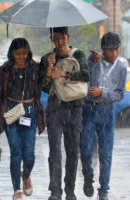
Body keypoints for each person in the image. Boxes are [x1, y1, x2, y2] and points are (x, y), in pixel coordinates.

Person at [0, 38, 43, 200]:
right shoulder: (4, 70)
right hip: (11, 111)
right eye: (18, 54)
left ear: (29, 53)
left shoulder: (35, 68)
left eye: (24, 53)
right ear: (12, 53)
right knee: (16, 153)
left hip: (30, 111)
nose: (21, 57)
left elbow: (46, 81)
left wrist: (50, 69)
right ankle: (16, 189)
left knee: (30, 155)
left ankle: (26, 176)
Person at [40, 27, 90, 200]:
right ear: (51, 38)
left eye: (62, 38)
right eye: (55, 38)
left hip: (75, 108)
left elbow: (85, 75)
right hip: (55, 108)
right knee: (54, 151)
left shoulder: (78, 54)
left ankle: (70, 189)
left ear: (68, 37)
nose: (59, 41)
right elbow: (44, 87)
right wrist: (49, 70)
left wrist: (63, 73)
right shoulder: (47, 58)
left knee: (72, 150)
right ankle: (55, 190)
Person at [80, 32, 127, 200]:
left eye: (116, 49)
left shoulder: (121, 67)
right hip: (88, 109)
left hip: (107, 111)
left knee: (106, 153)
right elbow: (83, 75)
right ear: (103, 50)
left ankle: (104, 190)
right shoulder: (92, 61)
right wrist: (90, 61)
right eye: (110, 50)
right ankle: (87, 176)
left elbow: (120, 94)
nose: (114, 53)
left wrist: (103, 92)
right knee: (85, 150)